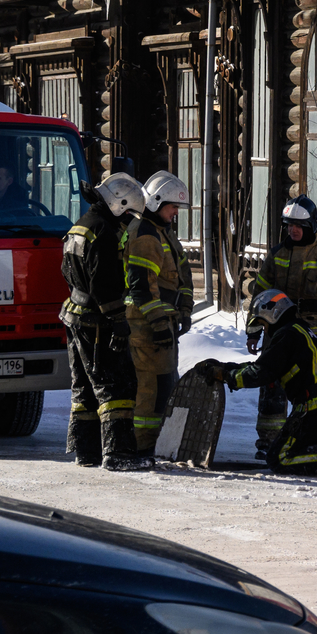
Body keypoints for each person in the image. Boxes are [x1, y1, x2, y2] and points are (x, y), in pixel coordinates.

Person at [199, 289, 317, 479]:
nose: (264, 330)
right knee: (310, 451)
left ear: (272, 313)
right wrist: (226, 367)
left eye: (263, 324)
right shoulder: (301, 331)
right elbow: (264, 366)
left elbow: (260, 373)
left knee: (280, 458)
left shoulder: (286, 335)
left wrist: (226, 375)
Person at [245, 196, 317, 459]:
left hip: (314, 335)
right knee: (272, 386)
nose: (293, 230)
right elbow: (260, 295)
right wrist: (254, 329)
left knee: (311, 391)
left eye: (299, 225)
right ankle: (269, 442)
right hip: (278, 334)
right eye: (290, 225)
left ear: (312, 226)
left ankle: (304, 439)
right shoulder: (277, 254)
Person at [59, 172, 150, 471]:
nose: (127, 220)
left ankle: (86, 451)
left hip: (74, 313)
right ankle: (118, 454)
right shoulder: (103, 233)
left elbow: (69, 273)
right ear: (117, 204)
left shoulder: (80, 226)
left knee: (85, 386)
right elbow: (105, 283)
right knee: (116, 386)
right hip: (97, 321)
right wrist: (117, 320)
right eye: (126, 213)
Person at [124, 171, 194, 456]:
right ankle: (143, 447)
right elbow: (142, 287)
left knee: (164, 385)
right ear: (155, 202)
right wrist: (158, 323)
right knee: (150, 391)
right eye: (172, 206)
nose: (175, 212)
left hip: (163, 325)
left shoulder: (162, 232)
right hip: (147, 328)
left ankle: (155, 445)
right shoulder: (145, 235)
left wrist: (185, 310)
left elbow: (180, 275)